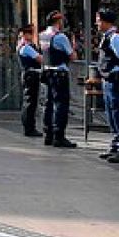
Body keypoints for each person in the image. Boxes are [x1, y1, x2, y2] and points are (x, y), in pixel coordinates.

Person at [95, 8, 119, 164]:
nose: (97, 23)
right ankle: (115, 145)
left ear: (106, 21)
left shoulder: (116, 38)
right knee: (111, 115)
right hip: (108, 80)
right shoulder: (106, 37)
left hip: (117, 80)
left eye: (99, 20)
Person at [40, 10, 77, 148]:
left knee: (49, 103)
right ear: (58, 21)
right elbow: (72, 56)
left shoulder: (43, 35)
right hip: (59, 73)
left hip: (48, 72)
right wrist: (73, 47)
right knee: (61, 104)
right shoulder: (60, 37)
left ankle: (48, 133)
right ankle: (59, 135)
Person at [16, 22, 44, 137]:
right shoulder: (26, 47)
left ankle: (29, 126)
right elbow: (40, 59)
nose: (32, 35)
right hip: (30, 75)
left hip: (31, 75)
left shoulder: (26, 46)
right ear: (25, 34)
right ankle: (29, 127)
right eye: (30, 33)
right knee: (30, 102)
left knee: (30, 101)